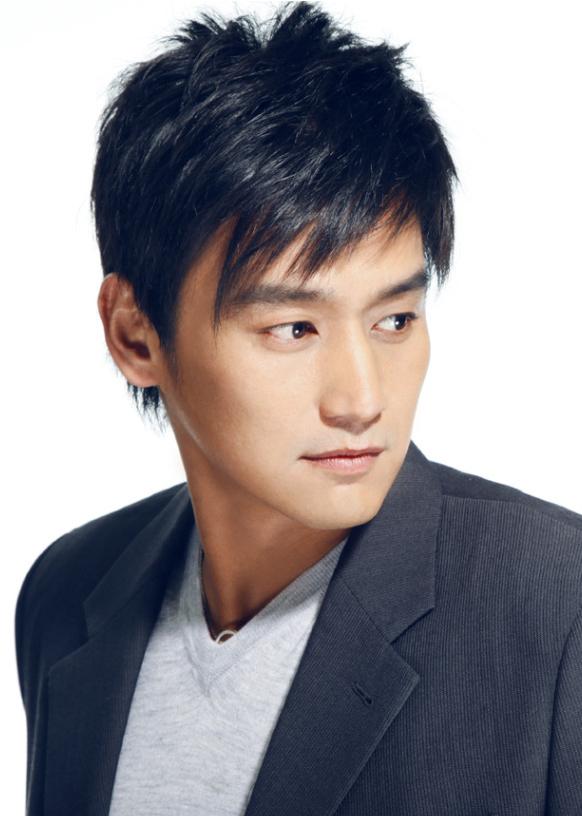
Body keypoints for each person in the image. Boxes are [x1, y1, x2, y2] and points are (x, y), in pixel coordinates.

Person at [14, 2, 582, 814]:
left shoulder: (557, 603)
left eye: (395, 320)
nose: (362, 399)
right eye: (293, 328)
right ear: (135, 334)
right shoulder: (67, 594)